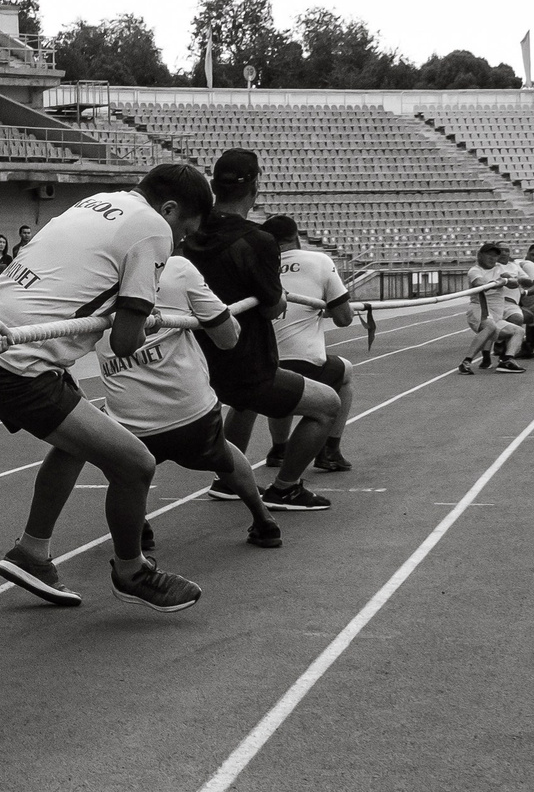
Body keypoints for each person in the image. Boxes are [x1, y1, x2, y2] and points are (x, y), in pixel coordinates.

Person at [0, 166, 211, 614]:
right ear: (170, 210)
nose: (179, 244)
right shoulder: (152, 227)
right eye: (185, 232)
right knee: (135, 463)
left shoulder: (97, 202)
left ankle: (31, 553)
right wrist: (147, 316)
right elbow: (124, 341)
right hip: (20, 362)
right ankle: (130, 570)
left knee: (76, 442)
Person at [98, 168, 283, 551]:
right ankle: (263, 520)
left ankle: (138, 528)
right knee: (225, 456)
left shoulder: (90, 279)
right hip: (190, 416)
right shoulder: (179, 269)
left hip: (130, 421)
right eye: (181, 232)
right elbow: (229, 338)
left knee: (118, 460)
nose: (181, 240)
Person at [183, 152, 339, 516]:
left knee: (242, 405)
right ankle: (286, 488)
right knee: (327, 405)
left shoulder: (188, 232)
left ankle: (228, 481)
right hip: (244, 363)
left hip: (194, 362)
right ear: (256, 185)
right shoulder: (257, 240)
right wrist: (280, 297)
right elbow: (271, 309)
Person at [260, 215, 357, 474]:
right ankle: (330, 450)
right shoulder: (319, 260)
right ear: (298, 239)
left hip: (262, 363)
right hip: (305, 362)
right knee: (346, 373)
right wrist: (322, 309)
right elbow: (344, 318)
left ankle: (279, 448)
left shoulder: (259, 266)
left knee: (280, 383)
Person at [461, 242, 527, 376]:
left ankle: (507, 360)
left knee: (518, 331)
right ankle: (466, 362)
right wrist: (497, 283)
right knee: (489, 327)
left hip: (496, 316)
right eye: (488, 255)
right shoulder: (475, 270)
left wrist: (507, 281)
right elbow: (480, 284)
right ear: (480, 255)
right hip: (480, 311)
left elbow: (514, 283)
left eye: (495, 256)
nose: (492, 258)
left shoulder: (499, 268)